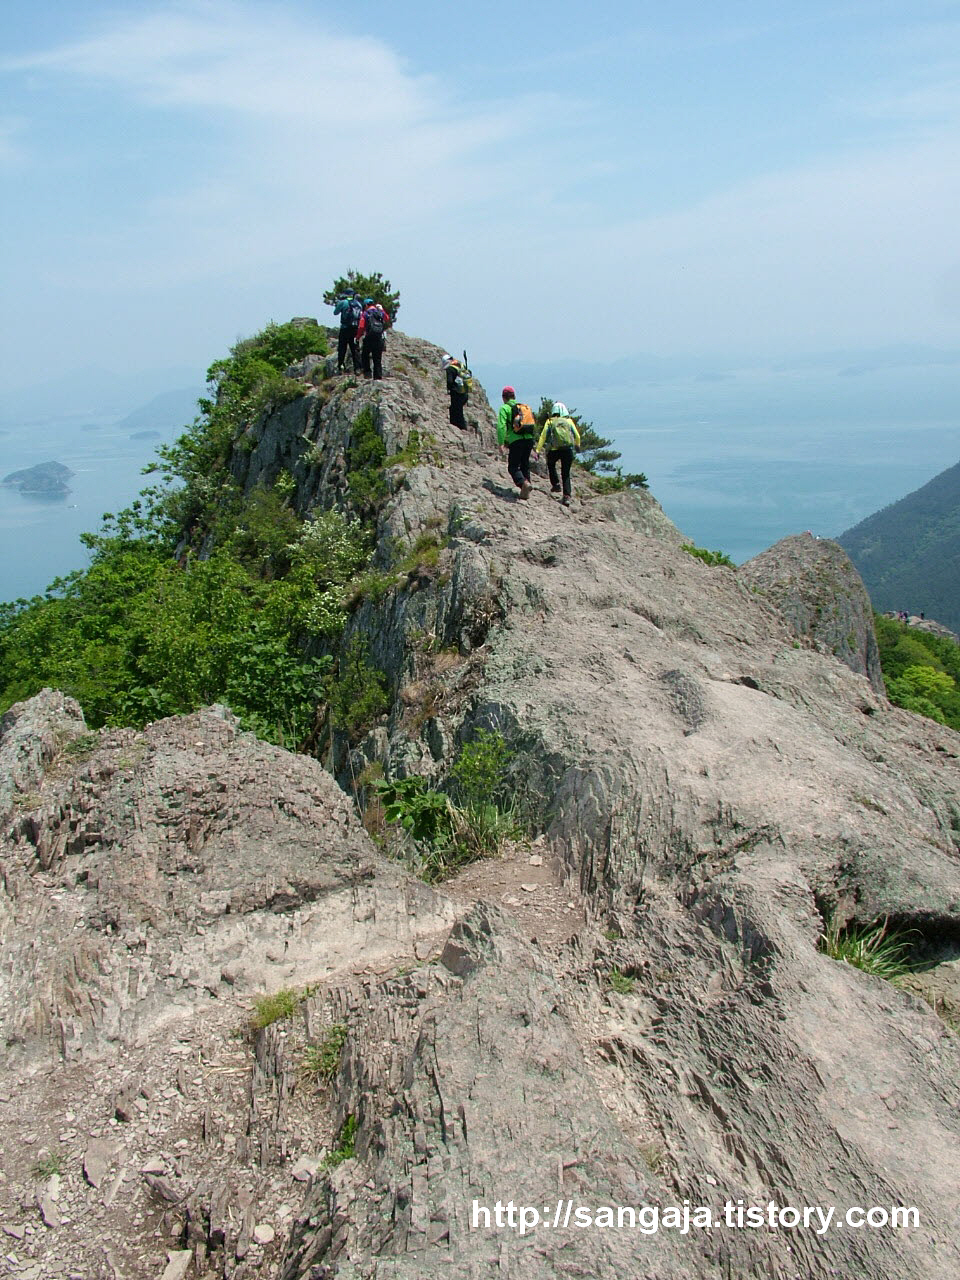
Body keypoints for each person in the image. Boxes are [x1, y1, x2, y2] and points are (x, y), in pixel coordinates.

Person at [535, 401, 581, 505]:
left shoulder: (550, 421)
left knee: (551, 465)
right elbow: (577, 436)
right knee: (566, 473)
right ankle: (567, 496)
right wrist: (577, 445)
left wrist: (538, 450)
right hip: (567, 450)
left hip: (554, 450)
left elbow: (543, 436)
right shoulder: (568, 421)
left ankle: (556, 485)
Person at [496, 386, 536, 499]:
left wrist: (501, 442)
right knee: (525, 464)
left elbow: (501, 426)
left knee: (513, 467)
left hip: (516, 440)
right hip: (529, 439)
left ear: (504, 398)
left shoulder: (505, 408)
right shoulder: (522, 408)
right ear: (514, 396)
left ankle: (523, 483)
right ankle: (526, 489)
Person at [357, 298, 391, 380]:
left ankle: (367, 373)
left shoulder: (365, 314)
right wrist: (382, 309)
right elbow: (387, 318)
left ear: (366, 305)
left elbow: (361, 326)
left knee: (365, 355)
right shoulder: (380, 312)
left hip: (369, 338)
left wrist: (357, 337)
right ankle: (378, 377)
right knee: (377, 358)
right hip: (379, 338)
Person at [332, 290, 363, 372]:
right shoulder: (359, 304)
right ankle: (357, 368)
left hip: (345, 329)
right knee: (355, 348)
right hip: (355, 329)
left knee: (342, 348)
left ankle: (341, 366)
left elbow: (335, 312)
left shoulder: (343, 302)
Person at [442, 354, 470, 429]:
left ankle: (458, 427)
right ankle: (462, 427)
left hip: (456, 393)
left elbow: (450, 381)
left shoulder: (450, 369)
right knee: (459, 410)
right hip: (464, 392)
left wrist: (449, 389)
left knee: (455, 410)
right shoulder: (460, 365)